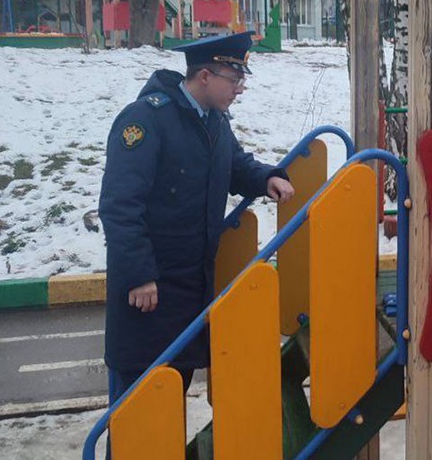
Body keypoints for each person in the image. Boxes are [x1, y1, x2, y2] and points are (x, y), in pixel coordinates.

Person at [98, 32, 295, 407]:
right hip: (147, 295)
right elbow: (120, 206)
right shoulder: (147, 119)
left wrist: (266, 176)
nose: (240, 89)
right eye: (234, 80)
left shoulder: (214, 122)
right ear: (205, 76)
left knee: (170, 399)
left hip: (190, 289)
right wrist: (140, 275)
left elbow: (235, 165)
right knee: (137, 413)